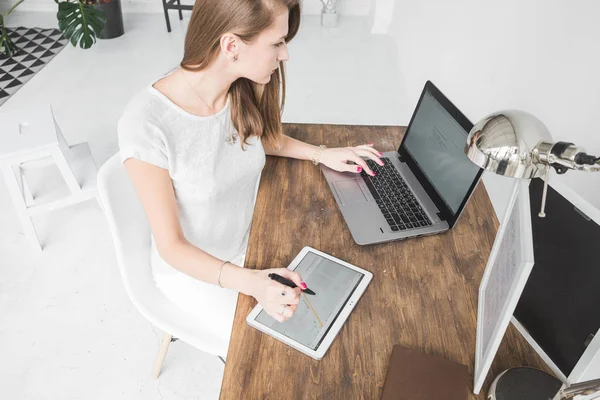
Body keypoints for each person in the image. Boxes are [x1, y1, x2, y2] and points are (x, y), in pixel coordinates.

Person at [117, 0, 384, 355]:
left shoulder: (235, 87)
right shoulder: (146, 124)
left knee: (346, 302)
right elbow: (172, 248)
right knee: (274, 352)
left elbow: (257, 136)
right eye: (277, 43)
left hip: (252, 239)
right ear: (231, 46)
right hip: (196, 271)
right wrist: (252, 283)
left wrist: (322, 153)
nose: (285, 54)